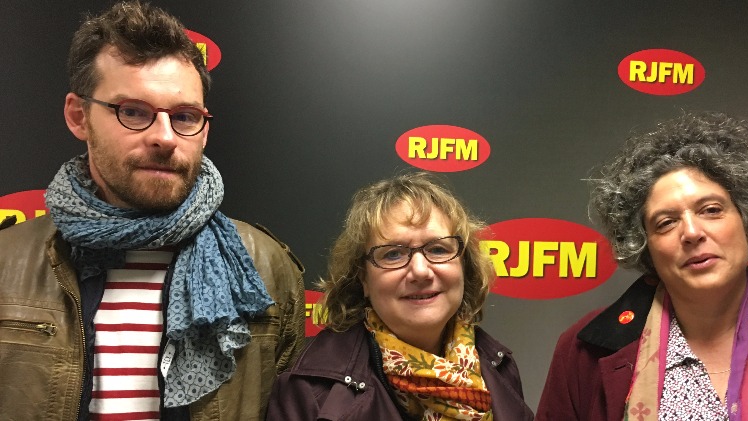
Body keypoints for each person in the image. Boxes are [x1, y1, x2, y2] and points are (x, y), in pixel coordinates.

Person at [0, 2, 306, 419]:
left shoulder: (265, 267)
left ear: (204, 130)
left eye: (185, 116)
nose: (165, 137)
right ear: (79, 117)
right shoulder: (7, 264)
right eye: (133, 111)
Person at [536, 111, 748, 420]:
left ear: (747, 220)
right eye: (666, 222)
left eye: (711, 210)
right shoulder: (580, 354)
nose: (692, 232)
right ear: (645, 245)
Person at [267, 172, 534, 420]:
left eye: (438, 249)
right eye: (393, 254)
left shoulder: (499, 367)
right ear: (363, 278)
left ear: (464, 265)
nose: (420, 271)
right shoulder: (310, 393)